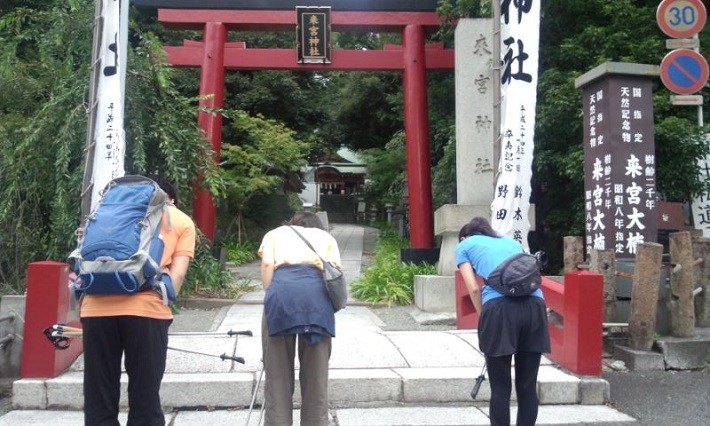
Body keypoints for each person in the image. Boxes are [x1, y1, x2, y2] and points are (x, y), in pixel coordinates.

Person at [80, 176, 196, 426]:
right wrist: (165, 298)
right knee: (145, 396)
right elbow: (177, 276)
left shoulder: (105, 212)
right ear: (169, 198)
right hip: (146, 310)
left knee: (98, 396)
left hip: (95, 308)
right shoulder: (180, 220)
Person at [455, 217, 550, 426]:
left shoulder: (464, 246)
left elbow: (473, 289)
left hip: (500, 310)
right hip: (535, 306)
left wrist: (484, 316)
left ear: (464, 237)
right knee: (527, 387)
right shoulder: (511, 242)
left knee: (500, 389)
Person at [258, 212, 342, 426]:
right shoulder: (327, 238)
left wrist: (271, 294)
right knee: (316, 374)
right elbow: (335, 272)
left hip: (282, 295)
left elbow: (267, 265)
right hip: (317, 300)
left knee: (277, 373)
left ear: (292, 222)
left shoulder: (275, 234)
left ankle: (278, 422)